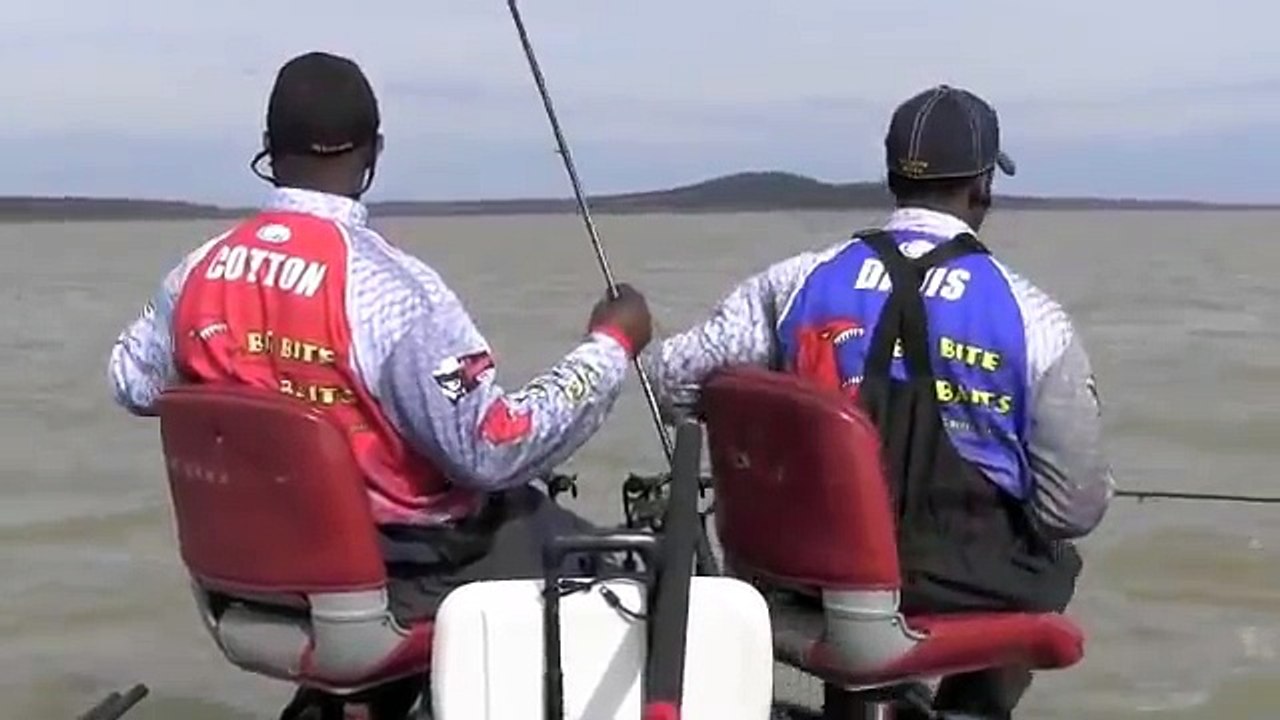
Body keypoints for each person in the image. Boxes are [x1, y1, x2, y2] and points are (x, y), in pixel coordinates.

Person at [106, 51, 651, 718]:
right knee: (637, 574)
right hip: (396, 573)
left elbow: (131, 381)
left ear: (268, 152)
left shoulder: (195, 272)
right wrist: (610, 346)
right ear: (373, 154)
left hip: (249, 576)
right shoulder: (397, 296)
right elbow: (494, 448)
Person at [640, 85, 1114, 718]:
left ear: (893, 177)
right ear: (982, 187)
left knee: (849, 568)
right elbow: (1070, 508)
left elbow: (669, 379)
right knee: (1053, 563)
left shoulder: (796, 281)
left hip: (794, 574)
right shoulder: (1036, 320)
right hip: (952, 586)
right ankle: (970, 709)